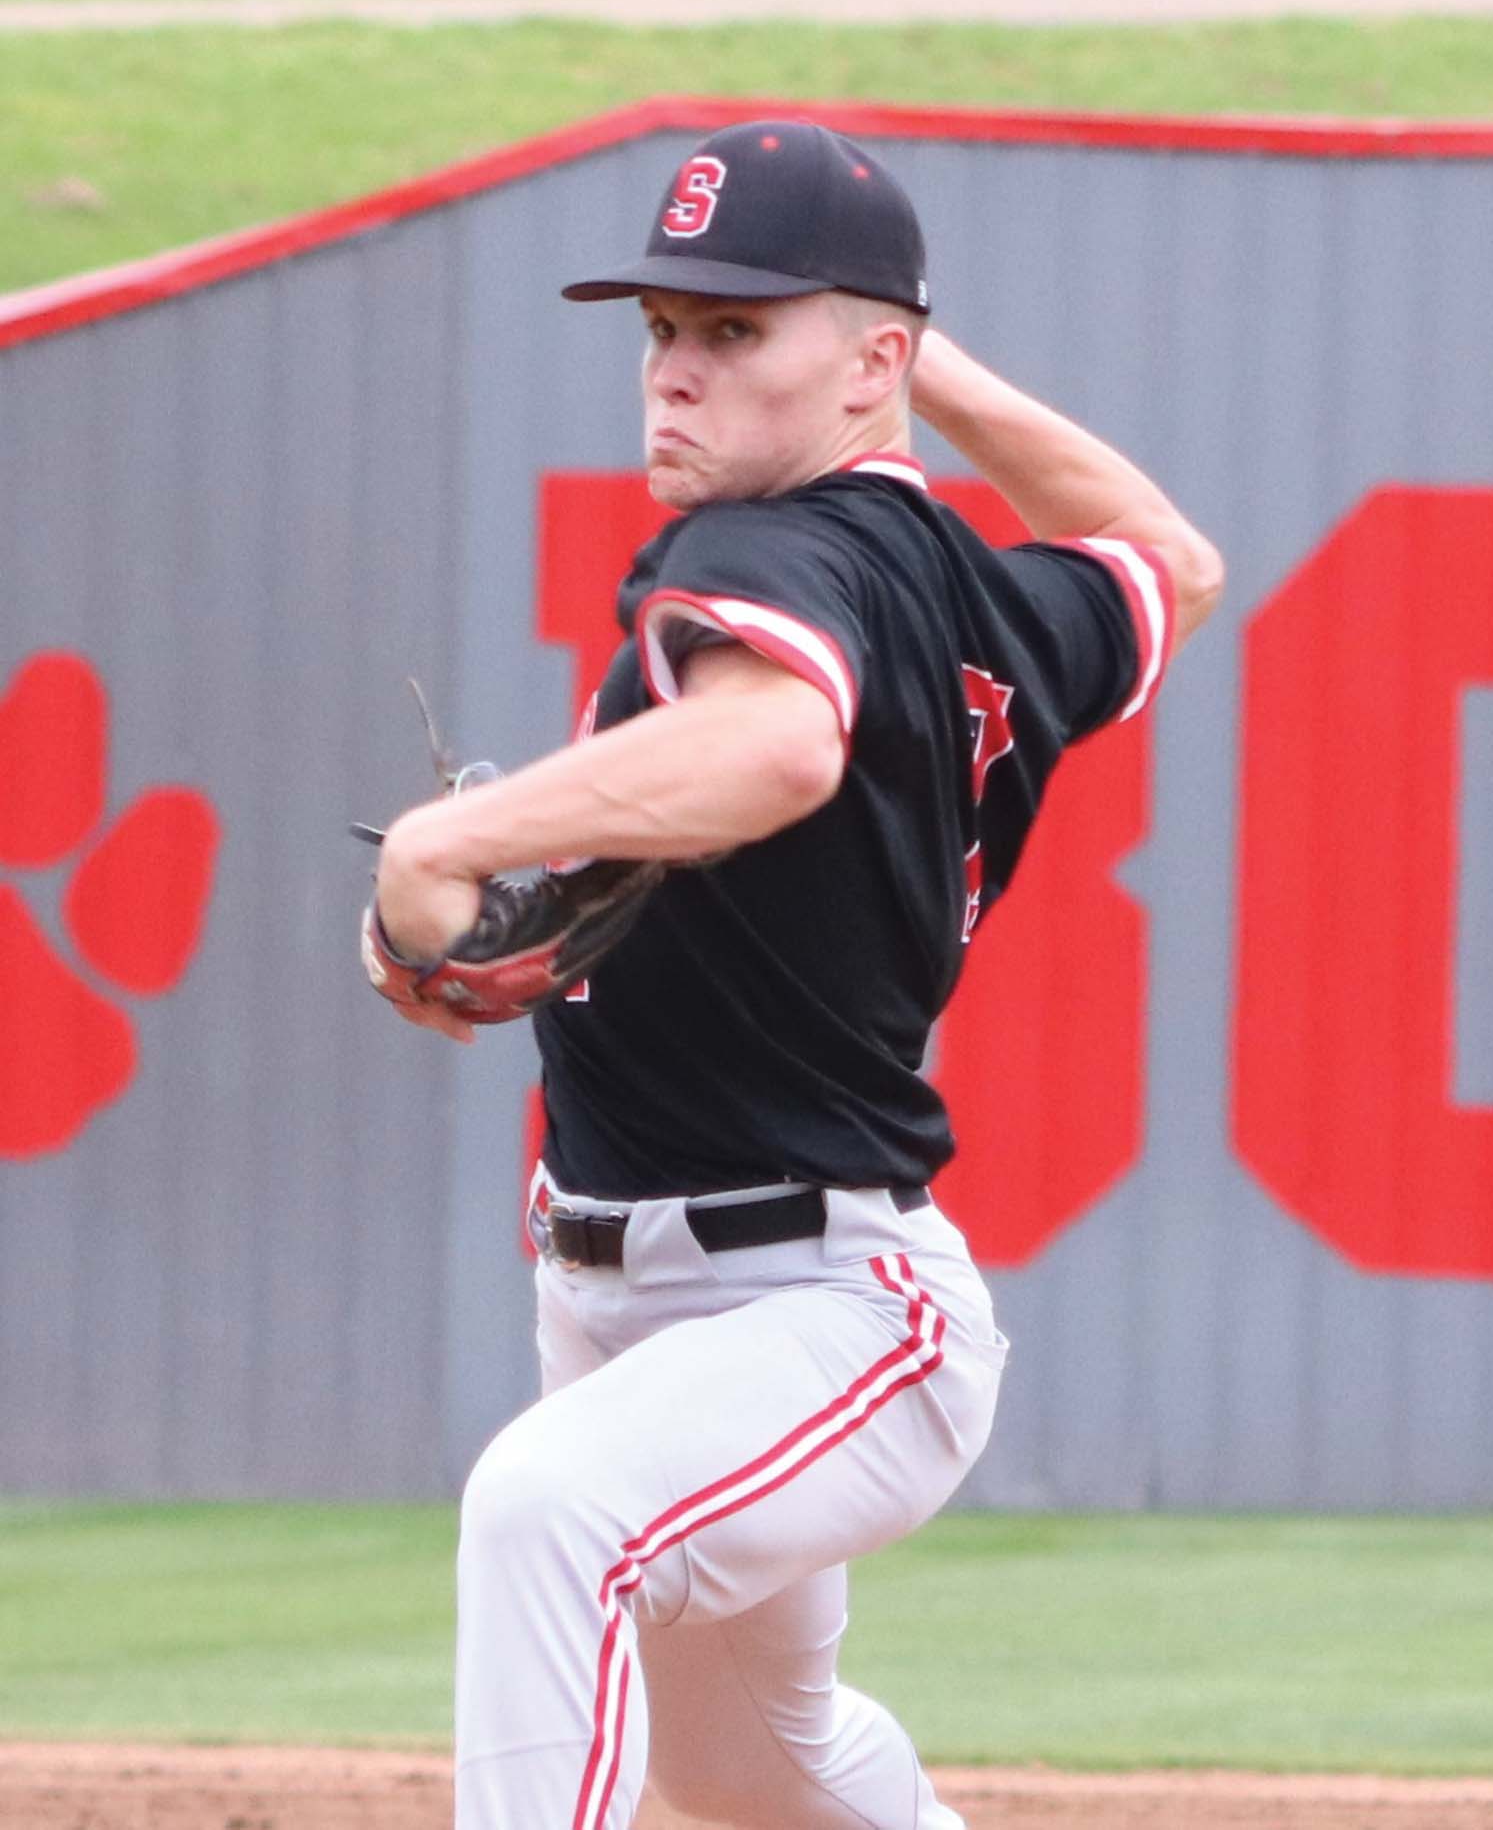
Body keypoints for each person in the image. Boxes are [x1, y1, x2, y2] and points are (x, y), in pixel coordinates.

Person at [372, 119, 1224, 1830]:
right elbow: (1169, 560)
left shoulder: (763, 553)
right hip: (649, 1286)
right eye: (664, 329)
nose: (676, 375)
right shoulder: (985, 593)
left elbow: (775, 750)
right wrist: (914, 364)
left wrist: (443, 846)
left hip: (818, 1300)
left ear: (866, 364)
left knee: (547, 1512)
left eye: (737, 331)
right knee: (750, 1767)